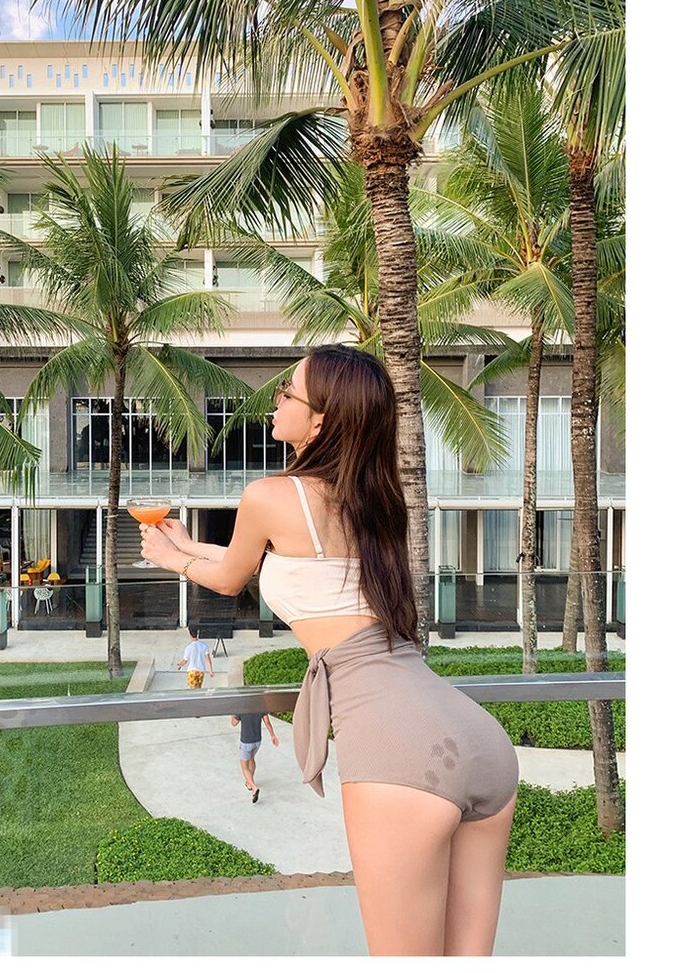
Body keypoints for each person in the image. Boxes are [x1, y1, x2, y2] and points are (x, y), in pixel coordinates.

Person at [139, 344, 519, 956]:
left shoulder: (271, 495)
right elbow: (264, 564)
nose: (275, 402)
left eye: (286, 392)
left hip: (401, 751)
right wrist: (184, 547)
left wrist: (171, 558)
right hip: (473, 737)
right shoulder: (375, 499)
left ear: (319, 420)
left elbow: (231, 579)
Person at [230, 712, 279, 803]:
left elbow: (233, 723)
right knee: (251, 759)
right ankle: (249, 783)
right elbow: (267, 722)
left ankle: (254, 788)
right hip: (257, 741)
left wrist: (233, 713)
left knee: (244, 767)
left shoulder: (242, 709)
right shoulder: (260, 706)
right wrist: (272, 735)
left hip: (246, 742)